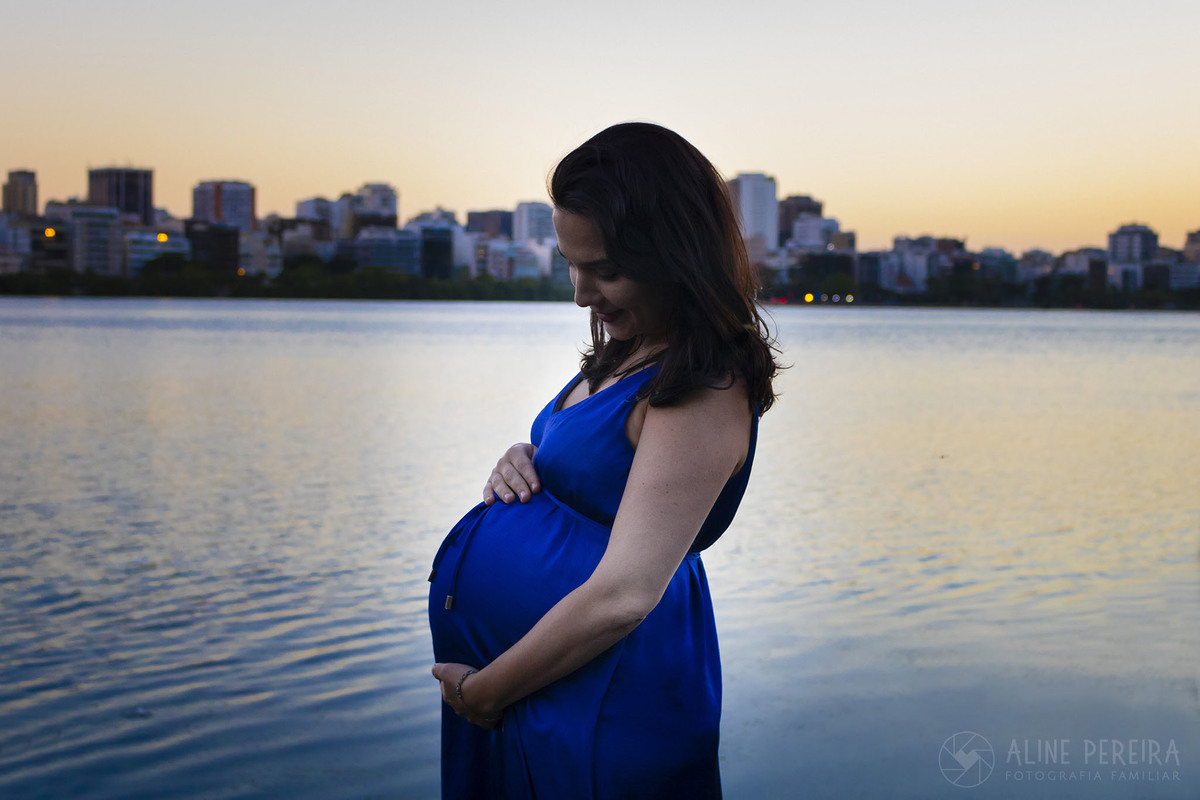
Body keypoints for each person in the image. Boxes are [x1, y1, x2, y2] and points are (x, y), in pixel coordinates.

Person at [428, 121, 780, 799]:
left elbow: (624, 595)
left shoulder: (702, 382)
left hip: (599, 701)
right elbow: (597, 464)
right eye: (571, 262)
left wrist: (485, 691)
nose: (582, 294)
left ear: (674, 254)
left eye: (606, 270)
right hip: (539, 688)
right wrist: (525, 456)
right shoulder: (629, 348)